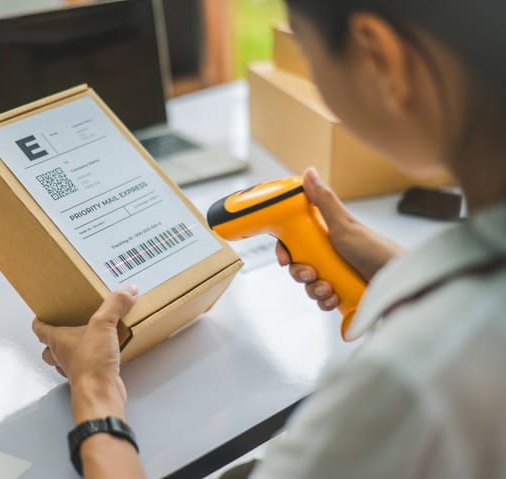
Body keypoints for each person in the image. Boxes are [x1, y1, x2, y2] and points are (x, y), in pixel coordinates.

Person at [32, 0, 506, 477]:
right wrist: (404, 276)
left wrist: (95, 393)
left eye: (307, 50)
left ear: (379, 58)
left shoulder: (409, 379)